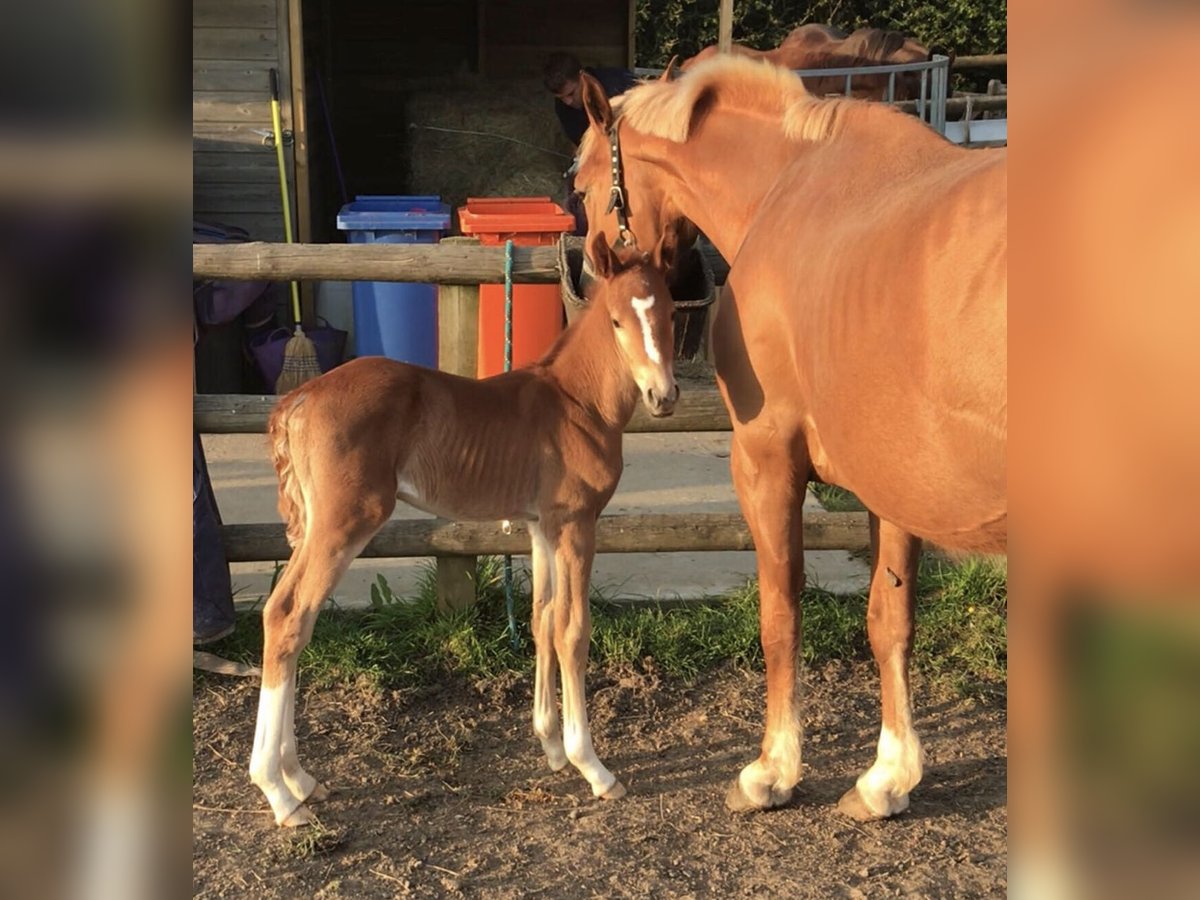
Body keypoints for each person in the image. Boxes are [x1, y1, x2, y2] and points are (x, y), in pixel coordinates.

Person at [542, 52, 637, 234]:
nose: (568, 102)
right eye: (562, 98)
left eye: (571, 93)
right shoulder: (564, 109)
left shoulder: (619, 83)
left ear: (582, 76)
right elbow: (581, 145)